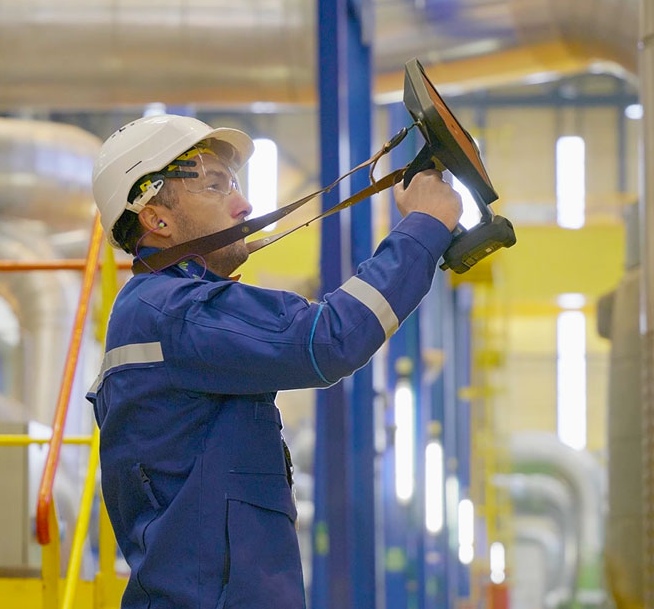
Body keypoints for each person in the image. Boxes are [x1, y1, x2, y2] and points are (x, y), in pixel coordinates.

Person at [88, 114, 462, 608]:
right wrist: (424, 229)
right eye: (216, 186)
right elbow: (330, 340)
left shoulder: (160, 312)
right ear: (157, 217)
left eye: (236, 184)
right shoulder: (175, 311)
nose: (243, 204)